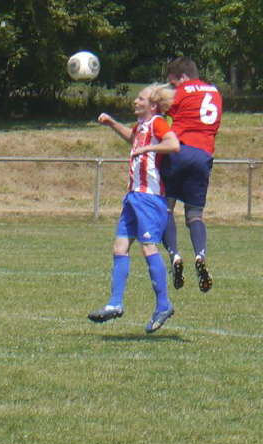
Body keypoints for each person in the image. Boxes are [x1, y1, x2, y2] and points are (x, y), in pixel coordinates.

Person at [88, 84, 180, 333]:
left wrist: (149, 148)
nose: (136, 100)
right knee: (119, 247)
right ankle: (115, 303)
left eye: (141, 98)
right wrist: (111, 124)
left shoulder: (158, 123)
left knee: (148, 246)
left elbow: (173, 145)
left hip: (149, 197)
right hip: (133, 197)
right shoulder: (141, 127)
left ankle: (163, 304)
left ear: (152, 105)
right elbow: (132, 138)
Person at [161, 56, 223, 293]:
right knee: (195, 214)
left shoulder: (181, 91)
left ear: (183, 77)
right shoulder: (215, 92)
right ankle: (200, 254)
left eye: (173, 82)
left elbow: (161, 109)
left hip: (179, 149)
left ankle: (175, 256)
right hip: (204, 155)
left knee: (166, 207)